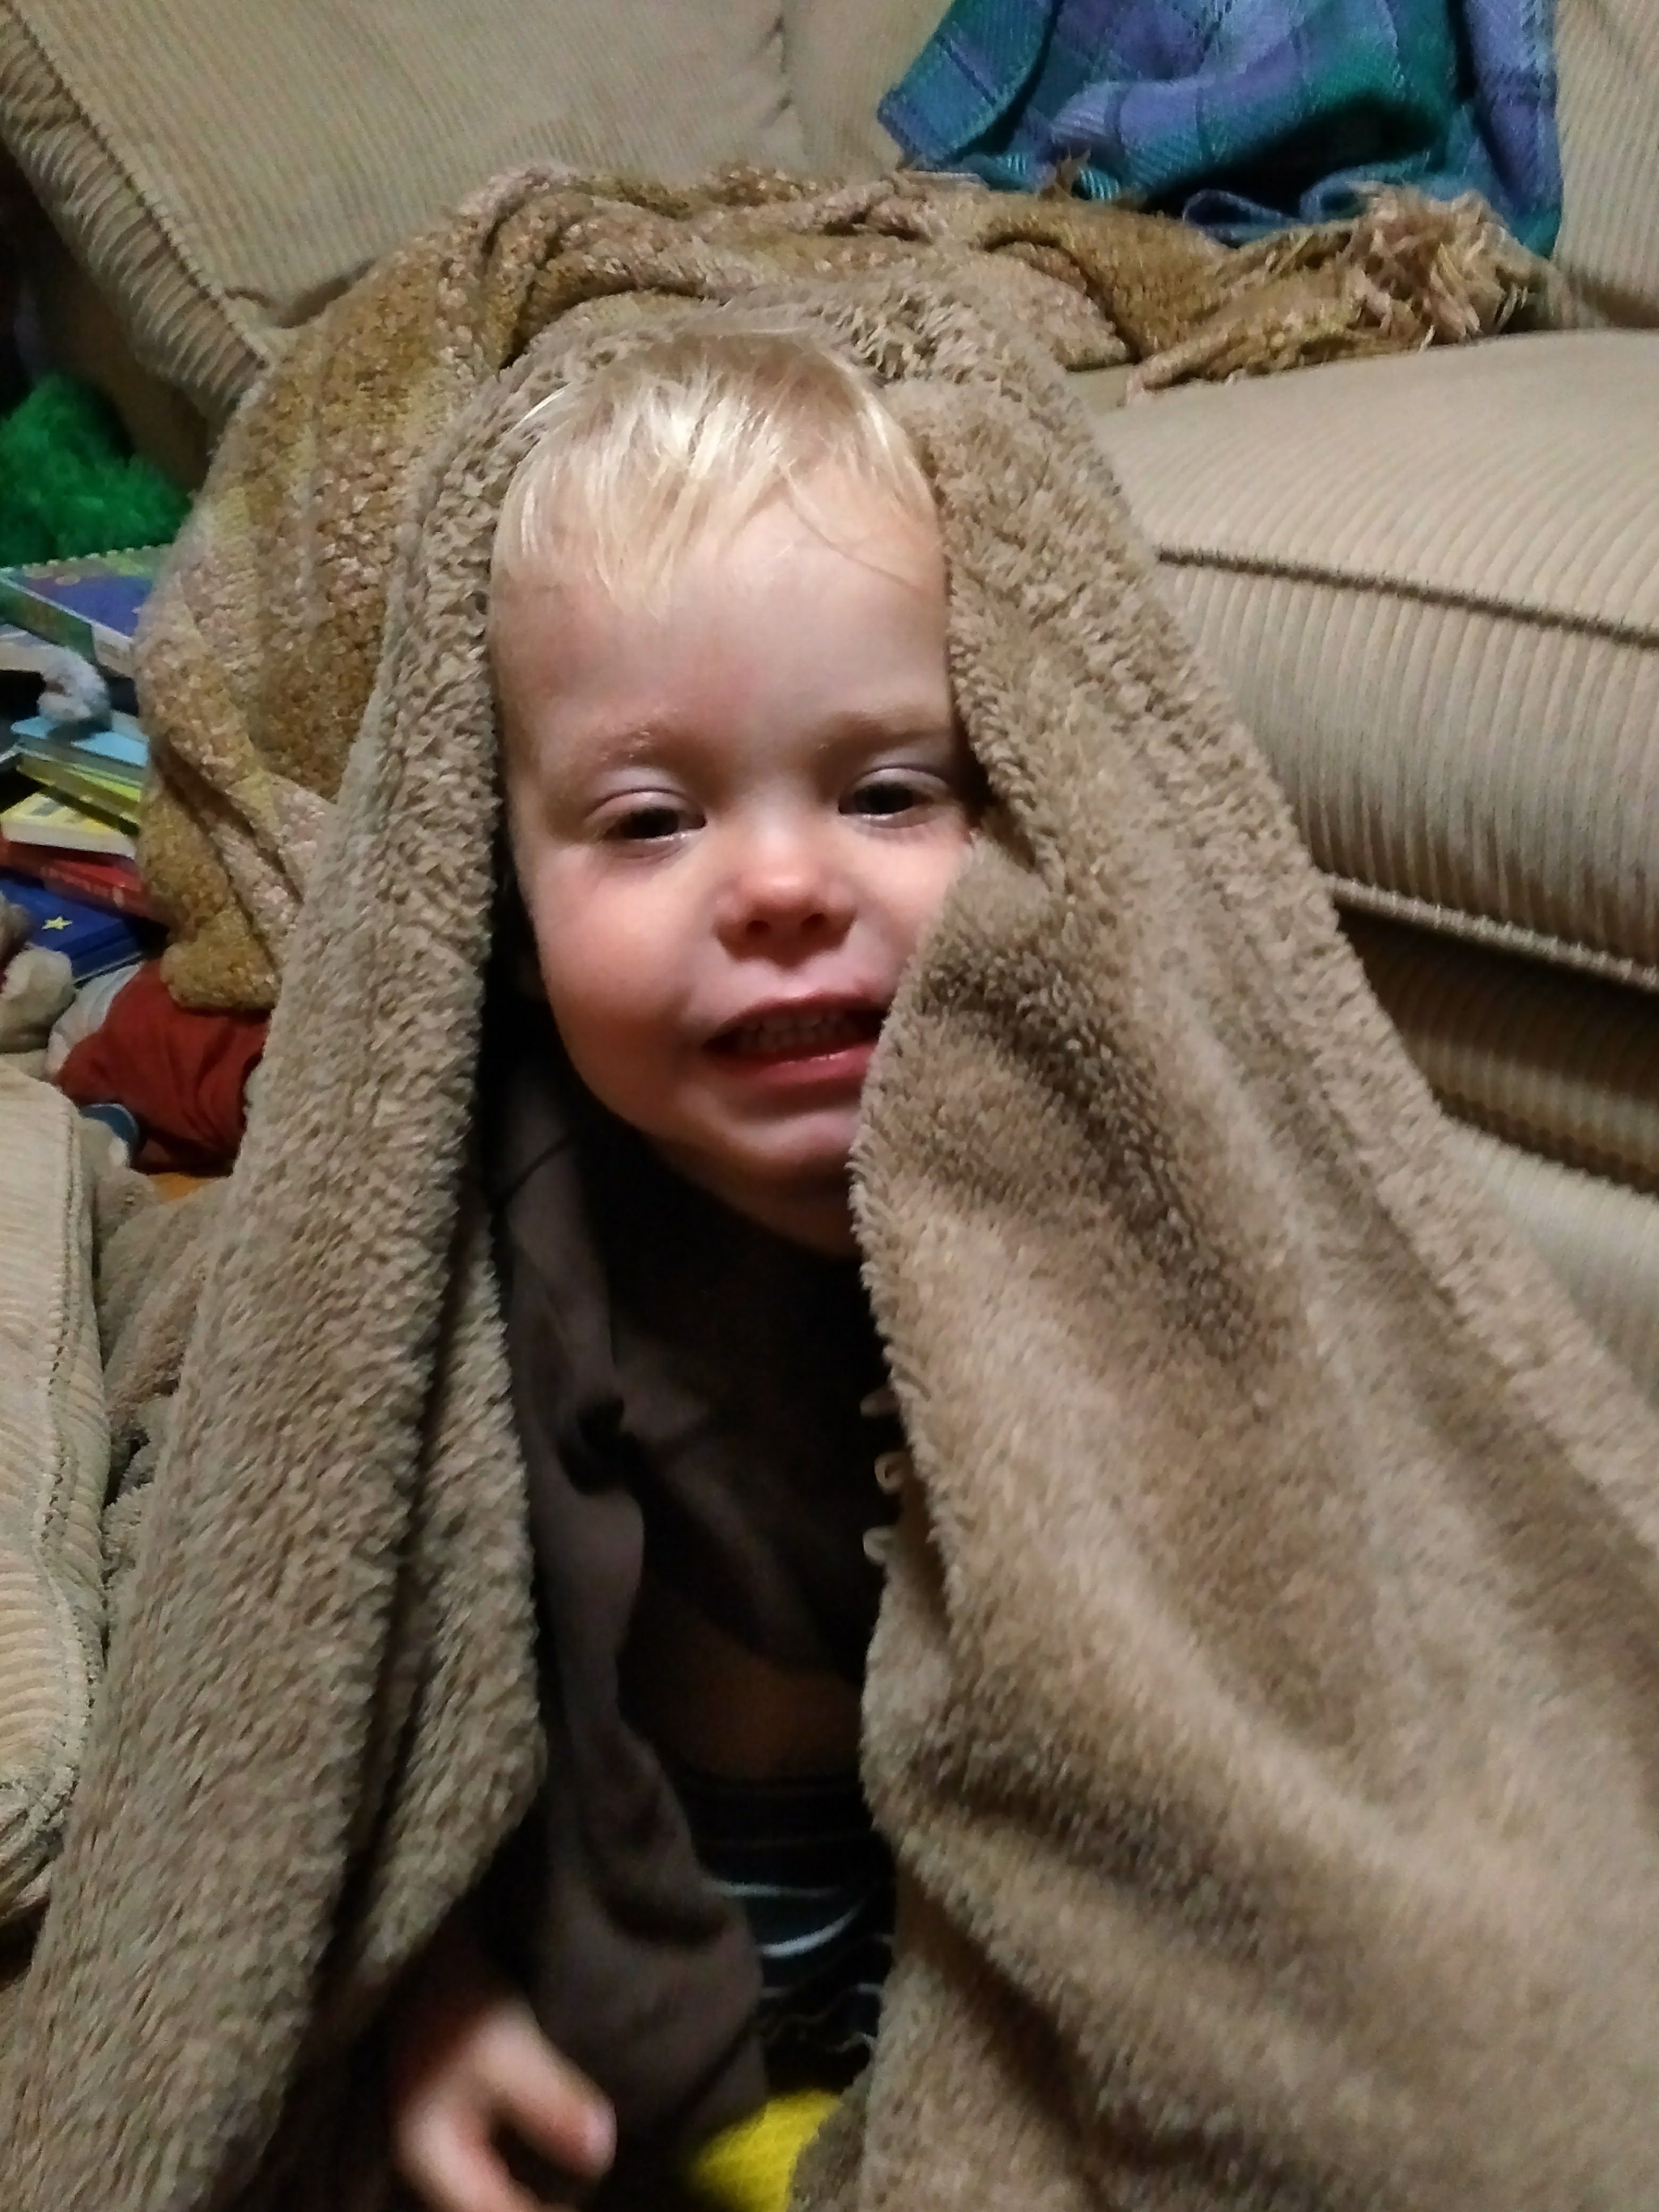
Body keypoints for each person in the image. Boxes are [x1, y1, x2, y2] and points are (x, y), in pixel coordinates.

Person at [385, 323, 982, 2212]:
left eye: (886, 795)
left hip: (964, 1873)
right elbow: (396, 1644)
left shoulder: (1044, 1152)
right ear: (506, 882)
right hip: (645, 1910)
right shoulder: (534, 1212)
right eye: (652, 820)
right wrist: (424, 1984)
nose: (785, 886)